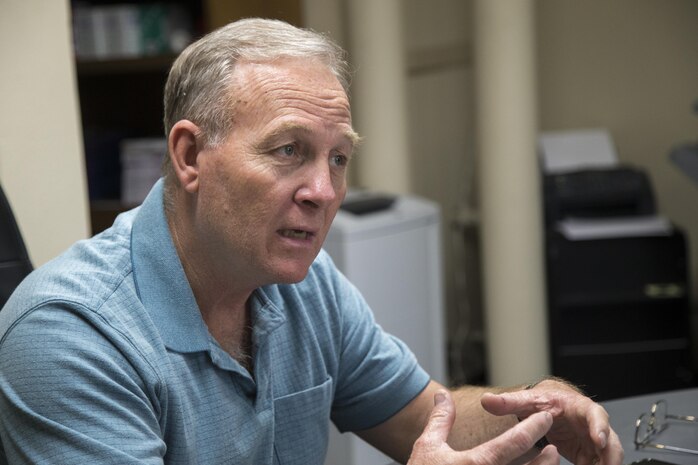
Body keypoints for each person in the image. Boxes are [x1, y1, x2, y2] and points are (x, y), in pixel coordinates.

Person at [0, 18, 623, 465]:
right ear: (190, 155)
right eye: (288, 150)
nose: (323, 191)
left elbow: (428, 418)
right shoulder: (68, 336)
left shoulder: (306, 286)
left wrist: (540, 407)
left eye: (340, 158)